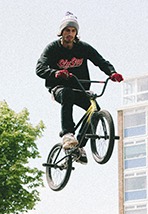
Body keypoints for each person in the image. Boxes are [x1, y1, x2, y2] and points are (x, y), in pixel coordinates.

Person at [36, 11, 123, 164]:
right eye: (67, 30)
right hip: (59, 89)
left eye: (73, 31)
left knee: (94, 110)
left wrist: (112, 73)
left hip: (81, 89)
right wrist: (55, 73)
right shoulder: (52, 48)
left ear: (76, 33)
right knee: (67, 93)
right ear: (61, 32)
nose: (70, 34)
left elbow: (100, 61)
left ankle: (79, 146)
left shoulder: (83, 48)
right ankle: (67, 134)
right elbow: (39, 69)